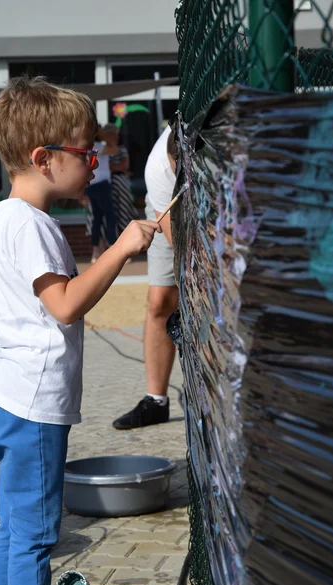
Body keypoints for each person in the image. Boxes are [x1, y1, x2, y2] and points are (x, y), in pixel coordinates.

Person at [0, 75, 160, 585]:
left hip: (5, 397)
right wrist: (122, 249)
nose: (96, 162)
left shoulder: (6, 218)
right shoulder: (32, 226)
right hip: (33, 406)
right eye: (88, 153)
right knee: (35, 532)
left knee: (12, 525)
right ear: (43, 157)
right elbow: (65, 305)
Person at [113, 126, 178, 430]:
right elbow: (182, 250)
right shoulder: (160, 168)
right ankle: (156, 400)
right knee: (160, 300)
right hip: (170, 209)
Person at [84, 126, 118, 263]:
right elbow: (114, 149)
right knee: (110, 216)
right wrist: (103, 136)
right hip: (102, 185)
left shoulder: (87, 147)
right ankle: (113, 247)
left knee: (96, 218)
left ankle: (95, 251)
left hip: (92, 185)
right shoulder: (98, 145)